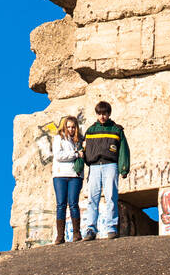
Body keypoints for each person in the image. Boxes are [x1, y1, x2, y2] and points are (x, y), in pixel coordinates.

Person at [80, 101, 130, 241]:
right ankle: (90, 229)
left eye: (105, 113)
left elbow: (123, 150)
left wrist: (124, 167)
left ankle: (111, 228)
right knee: (92, 199)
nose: (102, 116)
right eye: (100, 113)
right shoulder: (90, 131)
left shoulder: (117, 130)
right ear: (97, 114)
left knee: (111, 197)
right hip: (94, 167)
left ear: (109, 114)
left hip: (111, 166)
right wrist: (79, 165)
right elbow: (82, 151)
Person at [51, 116, 83, 245]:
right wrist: (75, 154)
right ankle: (60, 236)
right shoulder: (59, 138)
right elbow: (59, 156)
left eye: (73, 127)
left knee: (74, 203)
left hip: (75, 175)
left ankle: (76, 233)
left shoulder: (80, 140)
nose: (70, 129)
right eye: (68, 127)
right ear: (64, 127)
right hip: (60, 175)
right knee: (61, 205)